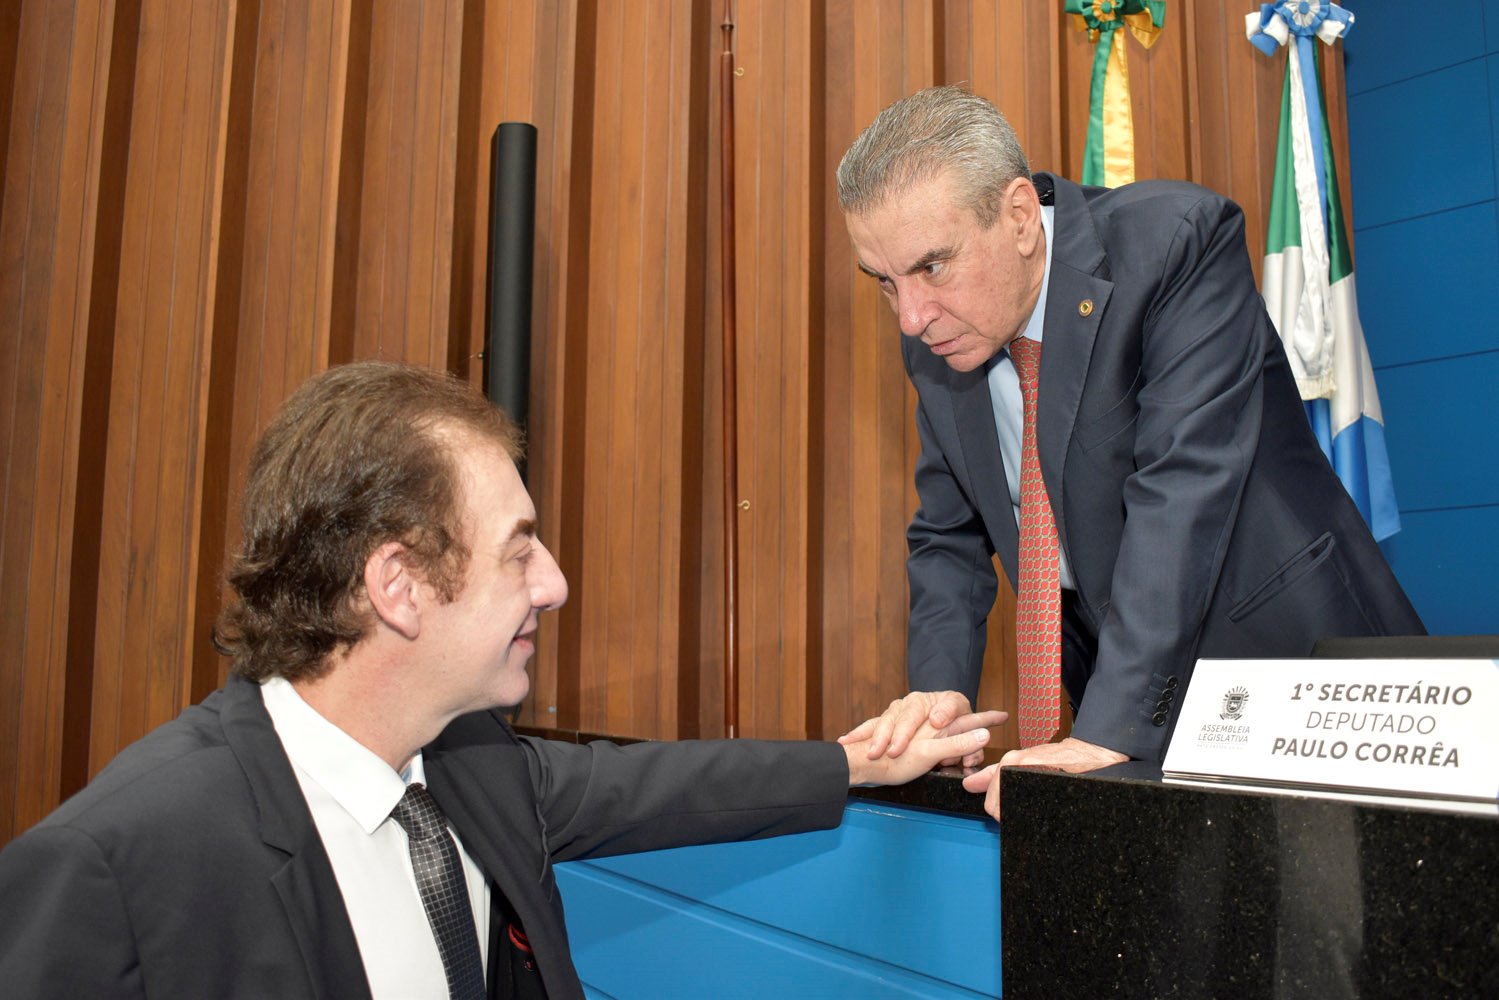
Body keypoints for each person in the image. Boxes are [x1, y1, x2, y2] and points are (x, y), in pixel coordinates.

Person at [0, 361, 1001, 1000]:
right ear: (397, 585)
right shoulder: (115, 867)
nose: (554, 584)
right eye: (519, 549)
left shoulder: (472, 767)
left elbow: (655, 787)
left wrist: (855, 762)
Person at [834, 86, 1424, 819]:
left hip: (1293, 674)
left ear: (1019, 217)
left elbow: (1182, 490)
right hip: (1128, 695)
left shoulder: (1174, 244)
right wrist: (937, 694)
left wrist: (1108, 728)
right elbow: (948, 533)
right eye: (884, 283)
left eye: (931, 267)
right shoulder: (938, 336)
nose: (911, 316)